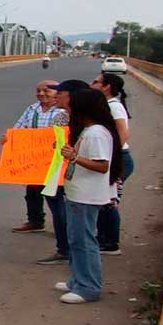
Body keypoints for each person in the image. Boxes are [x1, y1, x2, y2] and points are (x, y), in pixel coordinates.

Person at [55, 88, 123, 304]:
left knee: (84, 242)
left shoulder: (96, 134)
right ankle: (78, 280)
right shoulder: (89, 131)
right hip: (78, 192)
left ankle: (89, 287)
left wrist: (75, 158)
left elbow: (102, 166)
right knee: (76, 240)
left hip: (86, 196)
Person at [36, 79, 90, 266]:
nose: (55, 96)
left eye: (60, 93)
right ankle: (64, 249)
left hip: (80, 172)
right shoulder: (60, 117)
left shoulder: (89, 121)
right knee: (58, 209)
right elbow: (54, 141)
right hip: (58, 170)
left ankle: (79, 256)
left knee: (78, 216)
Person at [8, 80, 66, 233]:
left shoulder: (63, 111)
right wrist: (10, 138)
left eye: (46, 91)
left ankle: (63, 229)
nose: (41, 94)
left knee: (55, 195)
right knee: (32, 192)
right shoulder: (32, 109)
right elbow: (19, 128)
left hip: (55, 159)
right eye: (38, 90)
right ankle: (35, 221)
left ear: (57, 93)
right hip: (34, 159)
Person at [92, 72, 134, 255]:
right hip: (114, 157)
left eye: (96, 82)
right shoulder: (107, 104)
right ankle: (103, 238)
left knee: (108, 200)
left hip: (118, 158)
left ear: (106, 87)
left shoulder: (114, 106)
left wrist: (111, 156)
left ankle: (110, 243)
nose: (92, 84)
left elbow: (123, 133)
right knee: (103, 199)